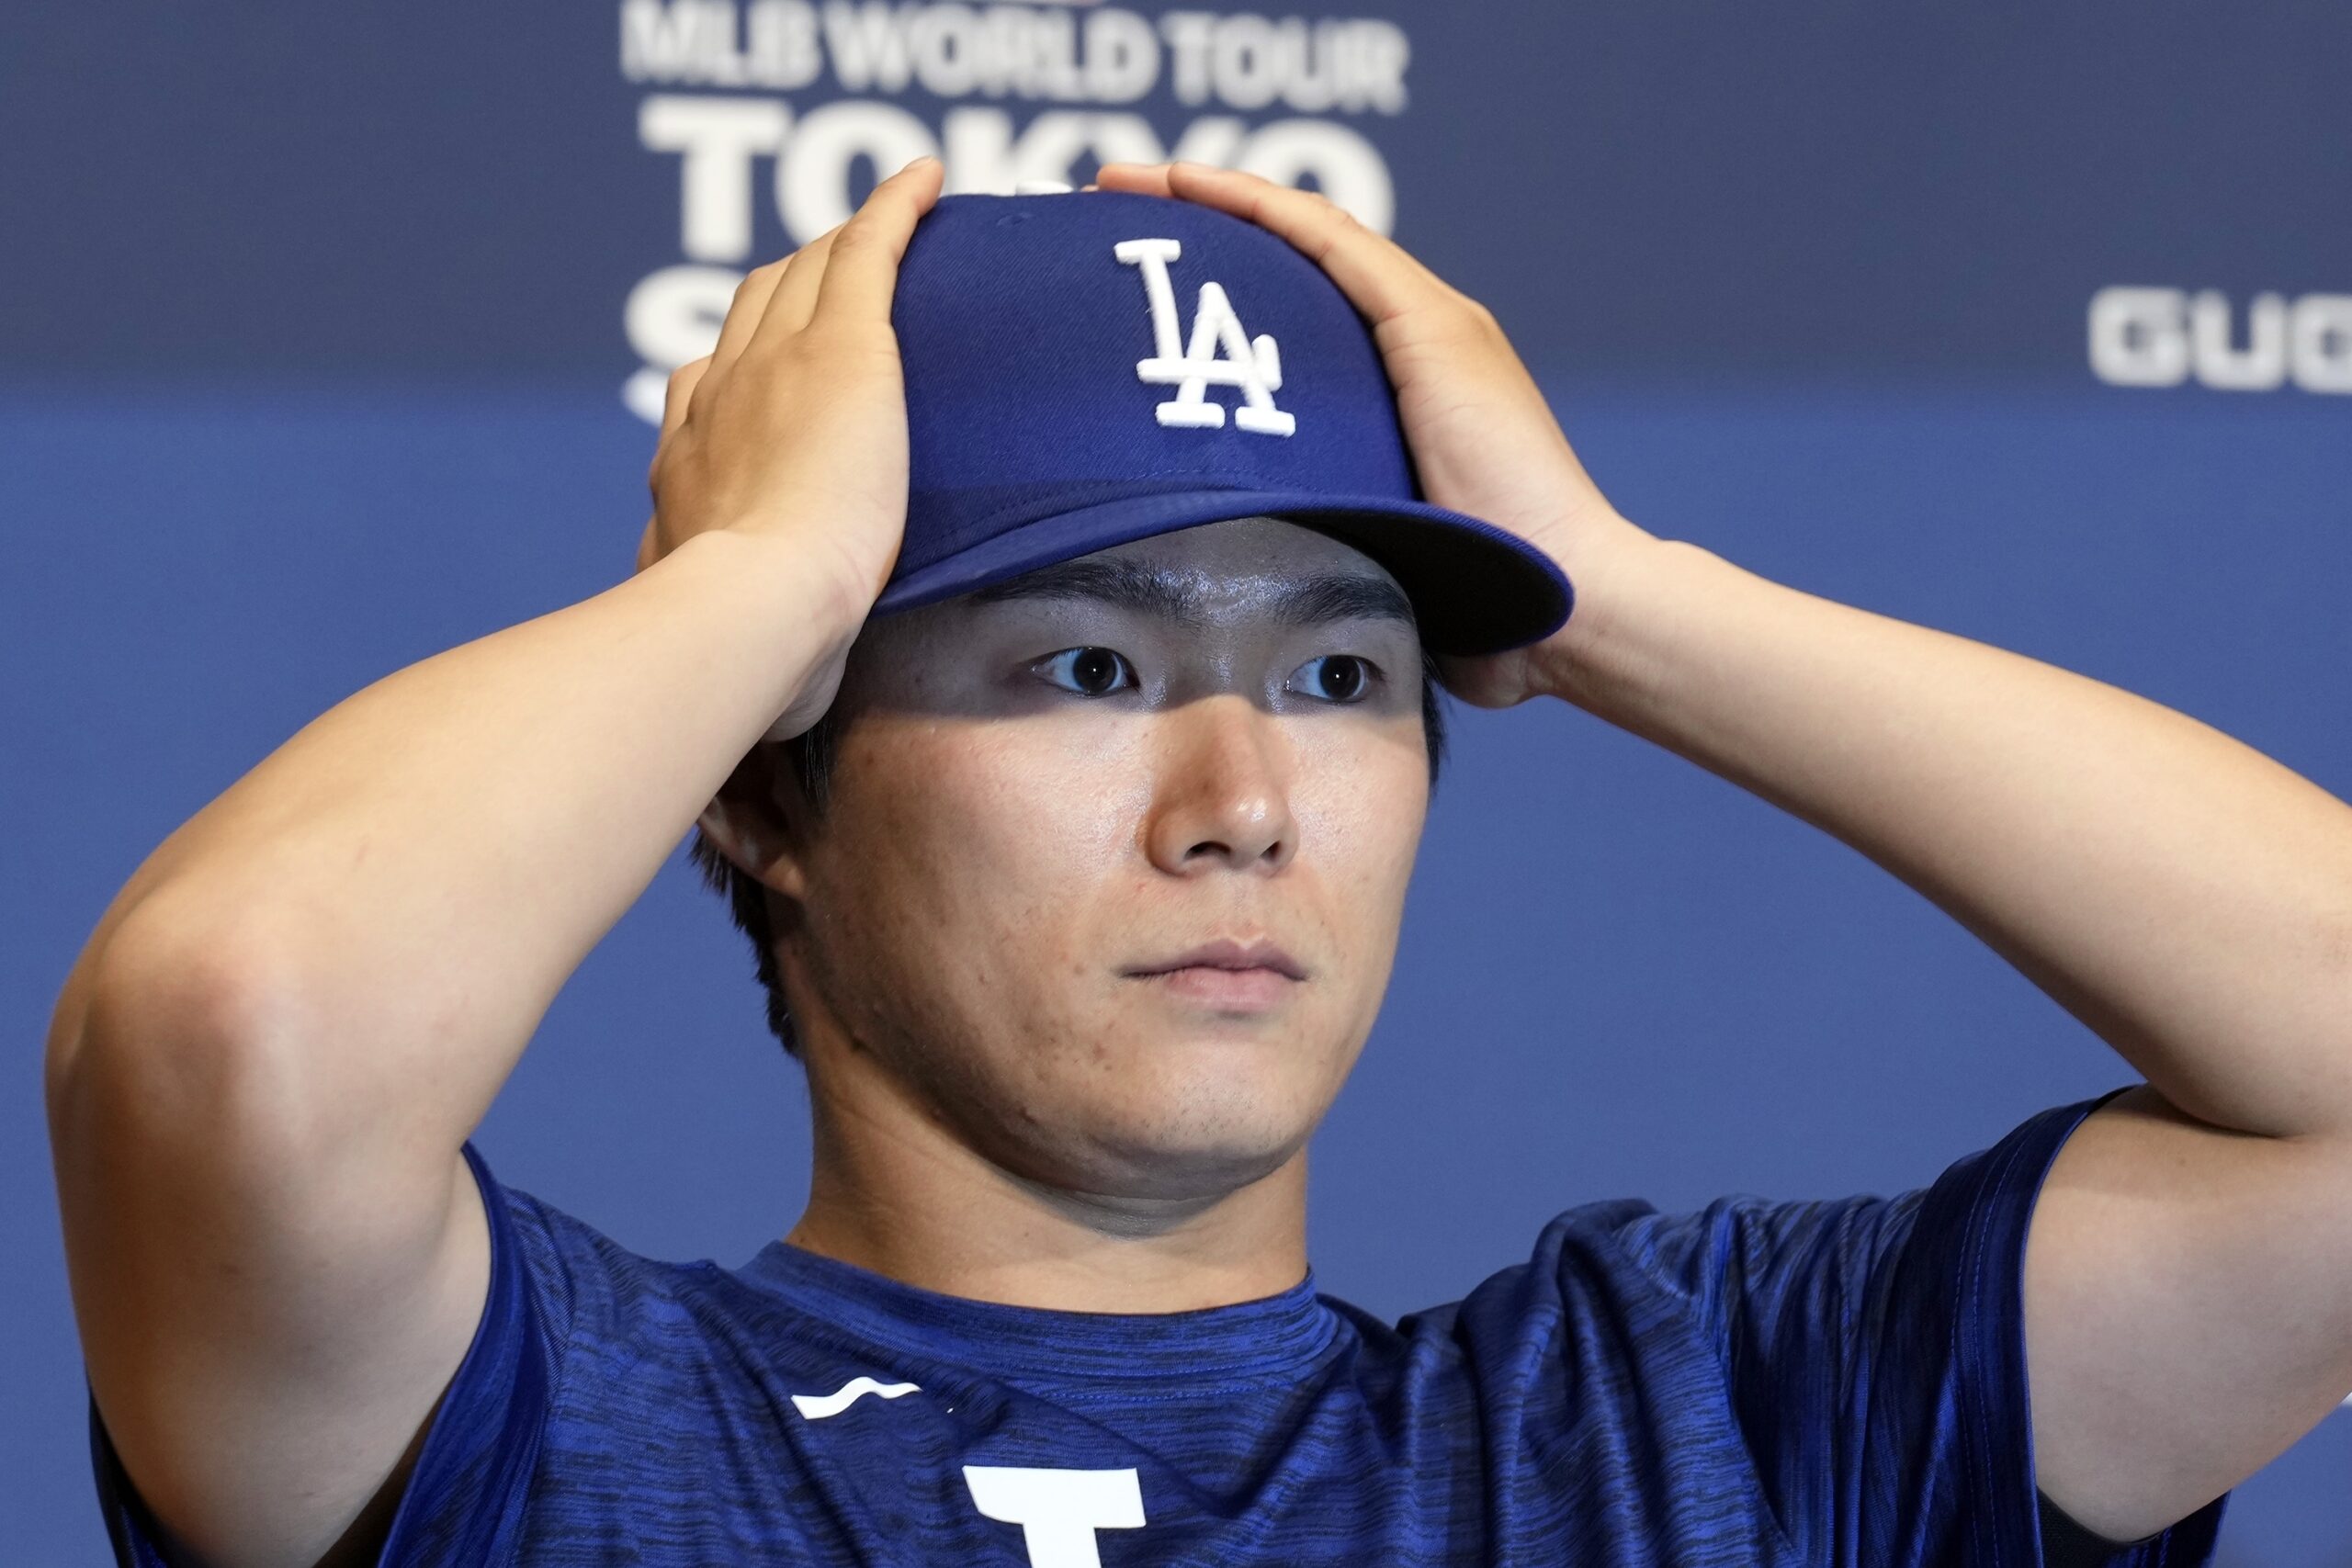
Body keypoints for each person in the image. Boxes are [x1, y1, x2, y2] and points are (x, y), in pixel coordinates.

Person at [42, 153, 2352, 1568]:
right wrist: (754, 584)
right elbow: (232, 1031)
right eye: (1081, 668)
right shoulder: (538, 1418)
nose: (1240, 795)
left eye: (1346, 679)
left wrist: (1620, 595)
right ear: (759, 795)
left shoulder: (1707, 1418)